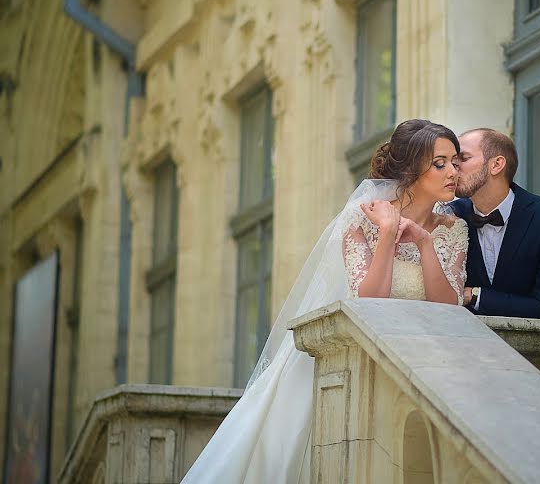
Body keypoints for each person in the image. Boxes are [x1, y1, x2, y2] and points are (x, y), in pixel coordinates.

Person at [182, 119, 468, 483]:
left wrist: (425, 243)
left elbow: (448, 307)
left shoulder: (453, 229)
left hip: (418, 362)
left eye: (455, 162)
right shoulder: (362, 218)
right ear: (411, 168)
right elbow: (370, 300)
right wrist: (388, 233)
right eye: (440, 163)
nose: (452, 172)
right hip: (359, 356)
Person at [450, 128, 540, 320]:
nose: (452, 168)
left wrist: (474, 295)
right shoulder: (450, 216)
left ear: (496, 165)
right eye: (451, 161)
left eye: (463, 159)